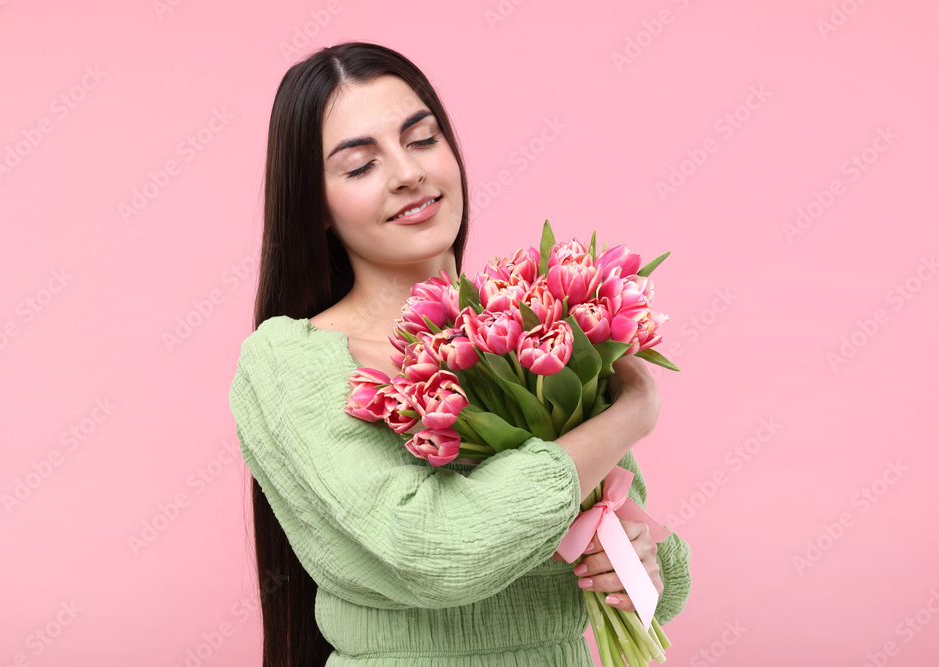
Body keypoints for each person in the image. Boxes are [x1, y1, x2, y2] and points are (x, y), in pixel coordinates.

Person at [228, 41, 691, 667]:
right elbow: (435, 552)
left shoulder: (532, 323)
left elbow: (618, 524)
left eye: (421, 139)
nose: (407, 173)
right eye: (360, 165)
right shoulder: (292, 362)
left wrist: (642, 567)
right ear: (319, 208)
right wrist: (636, 410)